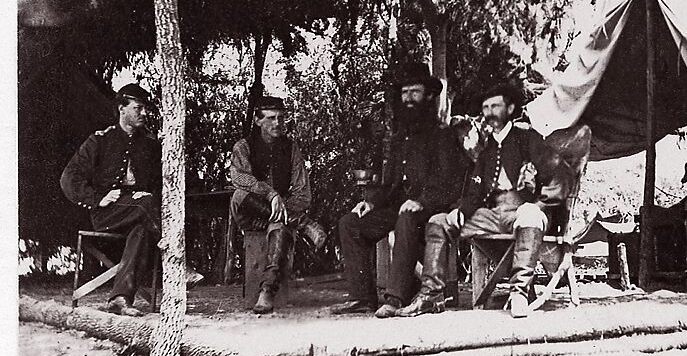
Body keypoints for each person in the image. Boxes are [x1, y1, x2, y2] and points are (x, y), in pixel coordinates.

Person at [403, 82, 570, 319]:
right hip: (493, 216)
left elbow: (561, 175)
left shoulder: (528, 138)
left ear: (510, 108)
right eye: (485, 107)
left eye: (495, 106)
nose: (489, 112)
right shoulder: (486, 148)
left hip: (523, 213)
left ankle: (519, 293)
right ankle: (430, 296)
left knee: (530, 215)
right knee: (439, 221)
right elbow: (475, 188)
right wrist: (462, 210)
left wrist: (541, 204)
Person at [335, 61, 467, 317]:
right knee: (350, 223)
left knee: (406, 219)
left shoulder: (442, 135)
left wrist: (423, 202)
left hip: (432, 210)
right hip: (399, 207)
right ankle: (362, 298)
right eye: (405, 93)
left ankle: (395, 298)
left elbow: (451, 183)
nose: (408, 99)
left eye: (414, 92)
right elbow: (392, 183)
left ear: (429, 96)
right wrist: (372, 202)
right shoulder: (400, 138)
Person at [60, 83, 162, 316]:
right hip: (107, 214)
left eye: (145, 109)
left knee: (142, 231)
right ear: (121, 109)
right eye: (138, 108)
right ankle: (176, 258)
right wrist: (97, 199)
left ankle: (119, 298)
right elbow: (69, 178)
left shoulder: (150, 144)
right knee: (146, 205)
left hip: (140, 213)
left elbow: (159, 183)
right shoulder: (100, 141)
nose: (144, 113)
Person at [229, 95, 325, 315]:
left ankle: (267, 291)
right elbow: (240, 179)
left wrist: (282, 206)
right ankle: (302, 223)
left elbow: (303, 192)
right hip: (250, 212)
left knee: (280, 227)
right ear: (257, 121)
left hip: (278, 215)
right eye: (271, 118)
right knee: (239, 194)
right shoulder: (243, 147)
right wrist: (271, 194)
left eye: (281, 118)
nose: (278, 123)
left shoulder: (290, 148)